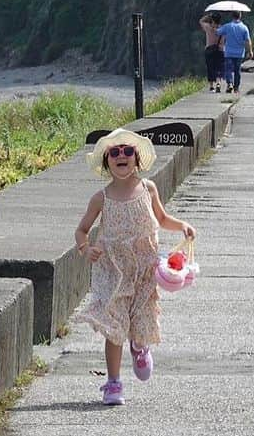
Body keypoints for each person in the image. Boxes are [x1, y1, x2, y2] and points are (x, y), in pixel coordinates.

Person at [74, 128, 197, 405]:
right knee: (114, 325)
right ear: (107, 161)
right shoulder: (101, 198)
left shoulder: (148, 188)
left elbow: (162, 219)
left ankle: (140, 346)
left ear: (136, 159)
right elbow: (82, 230)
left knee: (142, 320)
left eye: (128, 151)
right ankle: (114, 383)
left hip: (143, 268)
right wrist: (85, 248)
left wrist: (183, 226)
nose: (121, 156)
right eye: (114, 153)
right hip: (113, 271)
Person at [216, 11, 254, 94]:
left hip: (229, 52)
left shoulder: (227, 26)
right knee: (237, 70)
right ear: (240, 16)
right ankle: (236, 88)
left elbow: (217, 32)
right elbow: (248, 40)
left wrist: (218, 26)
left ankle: (229, 83)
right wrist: (250, 51)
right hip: (239, 53)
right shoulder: (244, 27)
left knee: (228, 69)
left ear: (232, 16)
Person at [199, 13, 224, 93]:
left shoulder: (208, 27)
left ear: (212, 20)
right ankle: (218, 83)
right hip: (220, 50)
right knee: (219, 67)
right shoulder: (222, 29)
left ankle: (211, 86)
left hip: (209, 50)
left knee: (210, 68)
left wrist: (208, 16)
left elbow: (201, 21)